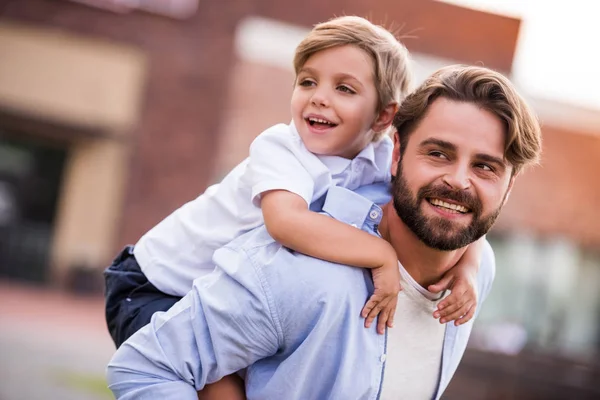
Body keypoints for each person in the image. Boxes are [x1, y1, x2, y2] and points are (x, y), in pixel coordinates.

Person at [106, 64, 543, 399]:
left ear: (508, 186)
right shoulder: (299, 275)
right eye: (438, 153)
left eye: (485, 166)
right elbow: (146, 367)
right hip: (147, 281)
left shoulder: (477, 269)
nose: (459, 181)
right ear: (394, 157)